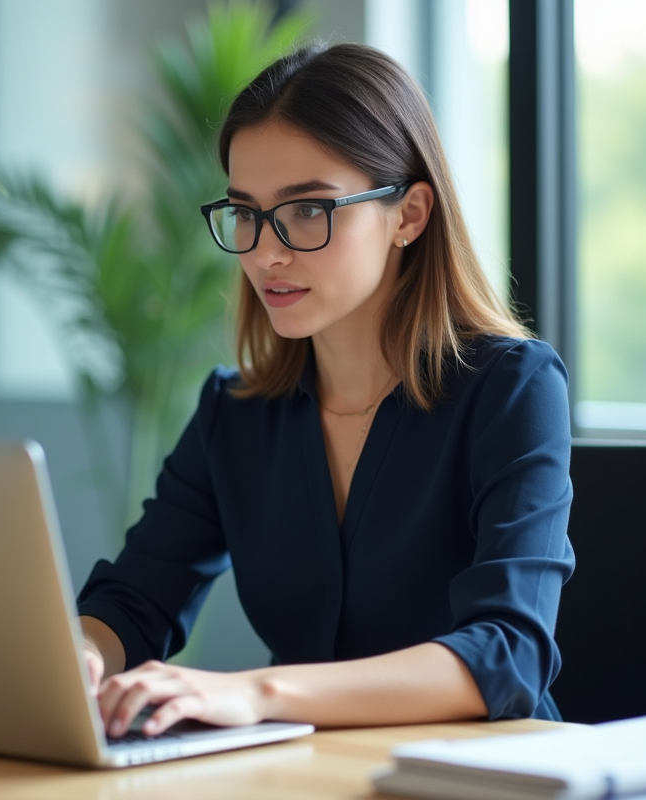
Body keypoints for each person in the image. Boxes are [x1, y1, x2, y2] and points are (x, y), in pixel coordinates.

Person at [75, 42, 574, 739]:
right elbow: (134, 600)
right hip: (305, 775)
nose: (264, 252)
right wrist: (80, 660)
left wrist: (257, 692)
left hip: (480, 776)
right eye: (245, 213)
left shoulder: (511, 390)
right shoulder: (237, 412)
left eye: (308, 209)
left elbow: (507, 655)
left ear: (409, 214)